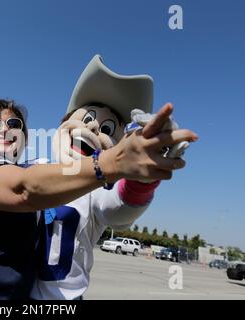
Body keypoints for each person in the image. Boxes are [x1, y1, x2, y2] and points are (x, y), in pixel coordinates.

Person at [0, 98, 196, 300]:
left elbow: (120, 208)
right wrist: (113, 163)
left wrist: (144, 175)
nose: (4, 130)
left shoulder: (75, 182)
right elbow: (23, 189)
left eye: (14, 125)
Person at [30, 55, 194, 300]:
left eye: (107, 130)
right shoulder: (33, 168)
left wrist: (142, 179)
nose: (95, 129)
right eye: (87, 119)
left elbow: (118, 210)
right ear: (63, 123)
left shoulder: (96, 188)